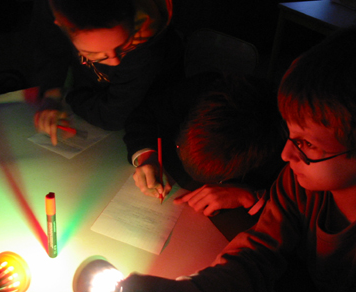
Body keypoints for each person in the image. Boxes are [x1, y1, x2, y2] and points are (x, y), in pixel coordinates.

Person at [120, 27, 356, 291]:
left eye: (307, 144)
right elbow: (256, 255)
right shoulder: (296, 184)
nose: (285, 154)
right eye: (291, 135)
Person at [124, 71, 286, 216]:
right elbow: (144, 114)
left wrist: (249, 196)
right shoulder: (196, 91)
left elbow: (293, 218)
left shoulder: (284, 146)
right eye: (180, 148)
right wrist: (147, 155)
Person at [31, 0, 184, 145]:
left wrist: (70, 97)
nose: (114, 61)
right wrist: (52, 94)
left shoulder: (147, 48)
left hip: (149, 117)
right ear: (59, 23)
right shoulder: (53, 9)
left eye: (123, 46)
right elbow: (51, 46)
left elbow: (113, 116)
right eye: (94, 54)